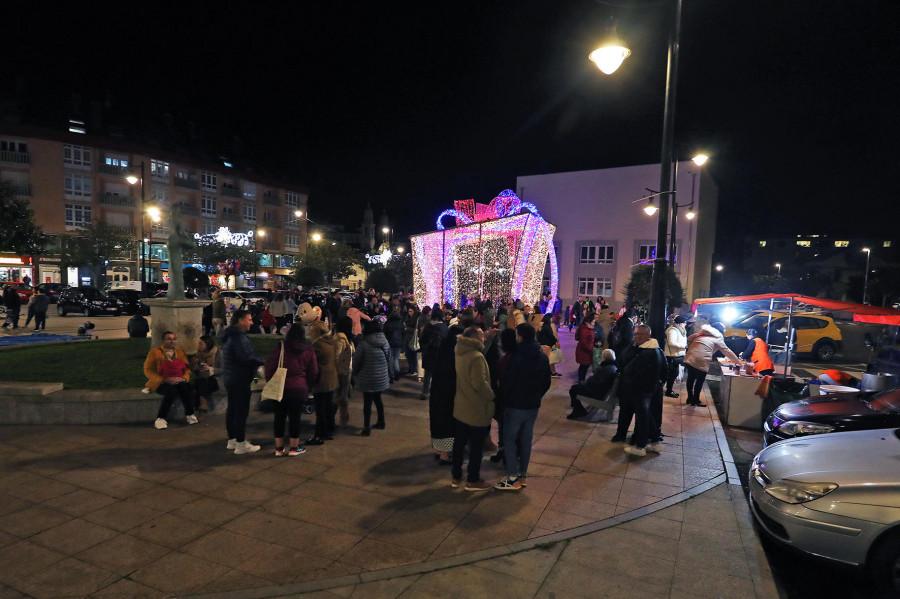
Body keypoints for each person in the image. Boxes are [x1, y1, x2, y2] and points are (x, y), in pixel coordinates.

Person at [495, 323, 552, 491]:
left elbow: (507, 381)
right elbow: (546, 382)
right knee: (526, 440)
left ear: (520, 336)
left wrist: (504, 401)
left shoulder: (516, 355)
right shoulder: (541, 356)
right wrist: (537, 395)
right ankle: (522, 475)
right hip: (532, 405)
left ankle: (512, 477)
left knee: (510, 439)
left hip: (515, 405)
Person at [450, 326, 495, 491]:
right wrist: (491, 396)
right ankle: (473, 479)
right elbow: (479, 383)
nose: (483, 338)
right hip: (475, 408)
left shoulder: (459, 350)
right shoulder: (476, 357)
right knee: (476, 446)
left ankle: (456, 475)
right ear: (475, 338)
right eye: (482, 335)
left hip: (461, 405)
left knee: (459, 443)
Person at [265, 323, 317, 456]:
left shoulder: (281, 347)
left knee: (279, 417)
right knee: (295, 417)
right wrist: (307, 384)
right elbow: (313, 371)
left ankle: (278, 448)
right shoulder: (308, 350)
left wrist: (270, 381)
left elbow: (270, 367)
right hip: (299, 388)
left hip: (281, 387)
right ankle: (294, 448)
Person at [616, 325, 667, 457]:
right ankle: (655, 443)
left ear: (648, 336)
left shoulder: (646, 353)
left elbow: (635, 372)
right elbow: (665, 370)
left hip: (640, 390)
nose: (636, 337)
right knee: (648, 416)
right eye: (635, 334)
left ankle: (640, 447)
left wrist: (630, 383)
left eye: (640, 334)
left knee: (643, 417)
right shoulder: (656, 350)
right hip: (649, 389)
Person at [222, 310, 266, 454]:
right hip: (239, 378)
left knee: (233, 410)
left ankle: (233, 440)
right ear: (241, 321)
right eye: (249, 319)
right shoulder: (238, 338)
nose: (251, 323)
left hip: (231, 377)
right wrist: (261, 361)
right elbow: (246, 357)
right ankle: (241, 444)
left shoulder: (231, 335)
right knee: (241, 412)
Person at [143, 331, 198, 430]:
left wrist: (183, 378)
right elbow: (148, 370)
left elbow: (186, 369)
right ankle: (161, 418)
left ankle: (190, 414)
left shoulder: (180, 353)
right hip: (161, 382)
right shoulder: (155, 353)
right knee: (171, 392)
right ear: (163, 341)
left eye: (173, 339)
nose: (172, 341)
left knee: (186, 389)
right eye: (169, 339)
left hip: (178, 380)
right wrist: (163, 379)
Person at [683, 322, 741, 407]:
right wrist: (737, 362)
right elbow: (727, 351)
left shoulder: (701, 334)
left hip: (690, 356)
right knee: (699, 380)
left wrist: (691, 346)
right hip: (702, 359)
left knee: (691, 379)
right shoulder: (718, 339)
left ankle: (690, 398)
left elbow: (690, 337)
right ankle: (696, 400)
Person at [352, 319, 392, 436]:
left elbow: (357, 361)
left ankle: (366, 427)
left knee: (367, 402)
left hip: (367, 377)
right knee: (378, 399)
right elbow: (389, 357)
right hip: (380, 378)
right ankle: (381, 421)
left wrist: (354, 373)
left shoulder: (364, 343)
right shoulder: (384, 341)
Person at [430, 325, 463, 463]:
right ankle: (445, 455)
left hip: (437, 390)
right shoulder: (454, 351)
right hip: (449, 392)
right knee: (448, 422)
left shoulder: (443, 347)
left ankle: (439, 451)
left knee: (438, 420)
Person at [308, 320, 339, 445]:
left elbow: (311, 364)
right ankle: (330, 430)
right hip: (331, 379)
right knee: (328, 406)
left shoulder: (317, 346)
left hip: (321, 380)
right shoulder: (330, 342)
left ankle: (319, 434)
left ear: (317, 332)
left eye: (311, 332)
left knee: (320, 409)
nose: (310, 334)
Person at [568, 348, 618, 419]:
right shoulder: (613, 366)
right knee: (575, 387)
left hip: (598, 394)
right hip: (604, 392)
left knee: (573, 390)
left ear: (603, 357)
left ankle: (579, 411)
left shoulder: (604, 368)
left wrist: (588, 382)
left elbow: (597, 383)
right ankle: (577, 408)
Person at [190, 335, 221, 412]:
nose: (199, 346)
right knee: (200, 383)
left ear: (208, 344)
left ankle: (202, 407)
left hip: (217, 379)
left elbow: (225, 369)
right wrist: (194, 364)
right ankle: (202, 407)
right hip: (203, 378)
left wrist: (211, 369)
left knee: (201, 383)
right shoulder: (199, 354)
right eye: (199, 343)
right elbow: (195, 371)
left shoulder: (218, 353)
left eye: (201, 344)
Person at [333, 317, 354, 426]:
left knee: (338, 395)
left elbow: (336, 356)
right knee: (343, 394)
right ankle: (344, 417)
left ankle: (339, 417)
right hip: (347, 369)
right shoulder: (347, 338)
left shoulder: (340, 339)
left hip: (341, 370)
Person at [664, 315, 688, 398]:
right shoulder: (672, 330)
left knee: (673, 374)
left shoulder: (680, 330)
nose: (685, 325)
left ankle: (669, 390)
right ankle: (668, 391)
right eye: (685, 323)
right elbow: (671, 343)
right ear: (681, 323)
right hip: (671, 356)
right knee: (672, 374)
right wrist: (683, 346)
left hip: (676, 355)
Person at [383, 309, 405, 382]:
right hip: (398, 343)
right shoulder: (400, 324)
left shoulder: (388, 323)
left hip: (390, 343)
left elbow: (384, 333)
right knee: (395, 359)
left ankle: (392, 375)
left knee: (390, 359)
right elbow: (403, 334)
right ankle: (397, 373)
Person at [538, 313, 562, 377]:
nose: (552, 319)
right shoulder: (548, 326)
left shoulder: (541, 325)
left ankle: (551, 372)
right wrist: (556, 341)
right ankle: (550, 372)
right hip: (548, 345)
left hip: (543, 344)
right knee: (550, 360)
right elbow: (551, 335)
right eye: (551, 318)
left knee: (548, 360)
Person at [575, 311, 596, 383]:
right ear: (588, 322)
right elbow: (584, 342)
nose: (594, 323)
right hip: (584, 351)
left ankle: (582, 379)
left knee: (585, 366)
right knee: (583, 366)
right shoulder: (585, 330)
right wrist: (591, 348)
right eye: (593, 322)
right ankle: (581, 379)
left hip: (586, 351)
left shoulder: (588, 329)